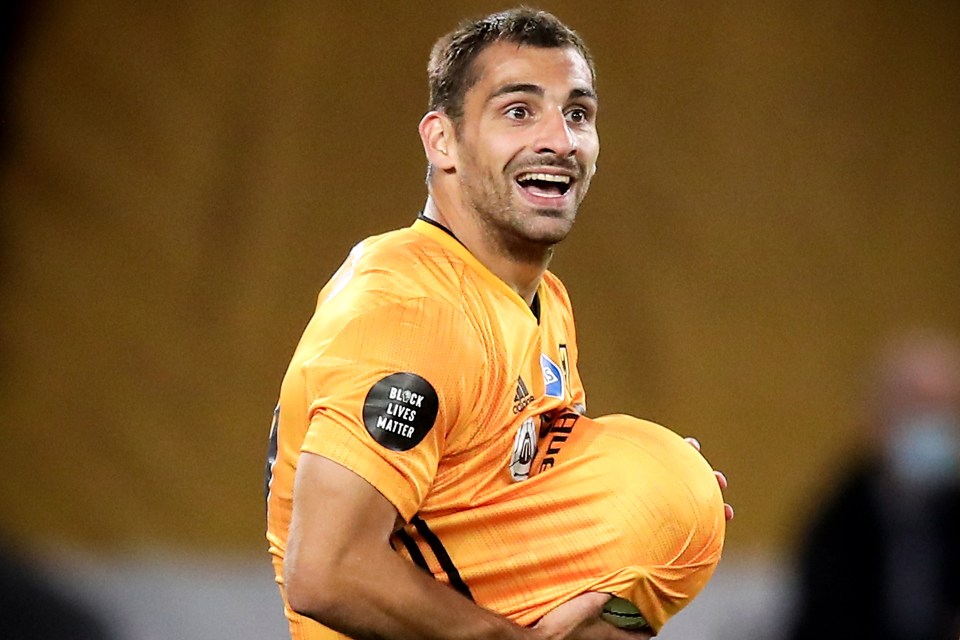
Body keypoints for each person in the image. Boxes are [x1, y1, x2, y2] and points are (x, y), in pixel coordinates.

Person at [265, 8, 732, 640]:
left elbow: (504, 482)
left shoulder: (541, 300)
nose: (559, 141)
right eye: (519, 111)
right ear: (442, 141)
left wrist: (663, 501)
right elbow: (327, 570)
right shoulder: (413, 310)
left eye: (577, 114)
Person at [787, 329, 960, 640]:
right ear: (877, 417)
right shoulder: (839, 519)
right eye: (917, 406)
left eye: (944, 407)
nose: (932, 421)